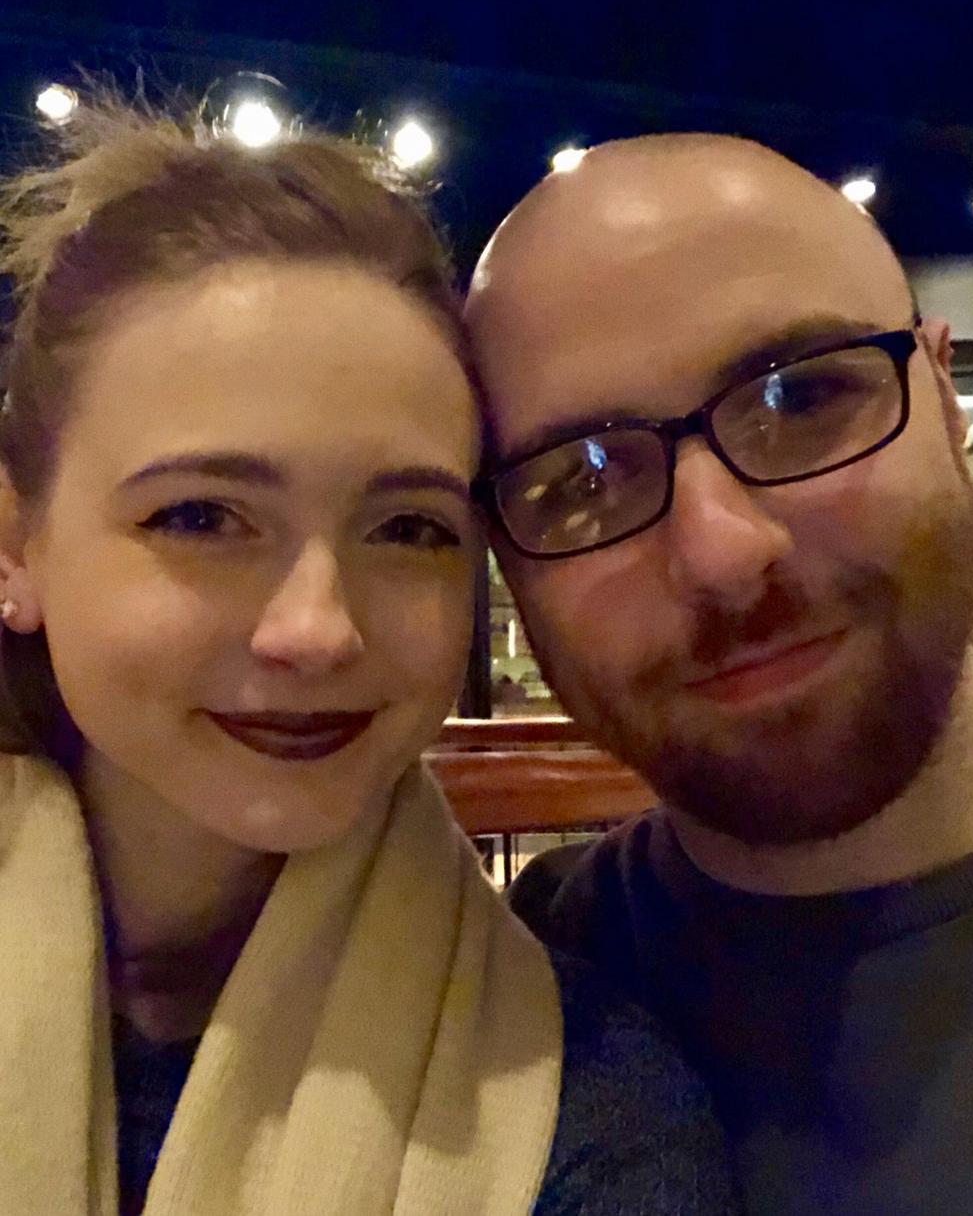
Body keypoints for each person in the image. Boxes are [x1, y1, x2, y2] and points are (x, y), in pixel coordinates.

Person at [0, 98, 735, 1215]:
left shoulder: (584, 1114)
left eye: (406, 529)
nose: (318, 630)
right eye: (200, 517)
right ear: (17, 546)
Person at [465, 133, 973, 1214]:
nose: (721, 552)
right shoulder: (494, 1016)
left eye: (800, 399)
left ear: (944, 401)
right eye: (583, 480)